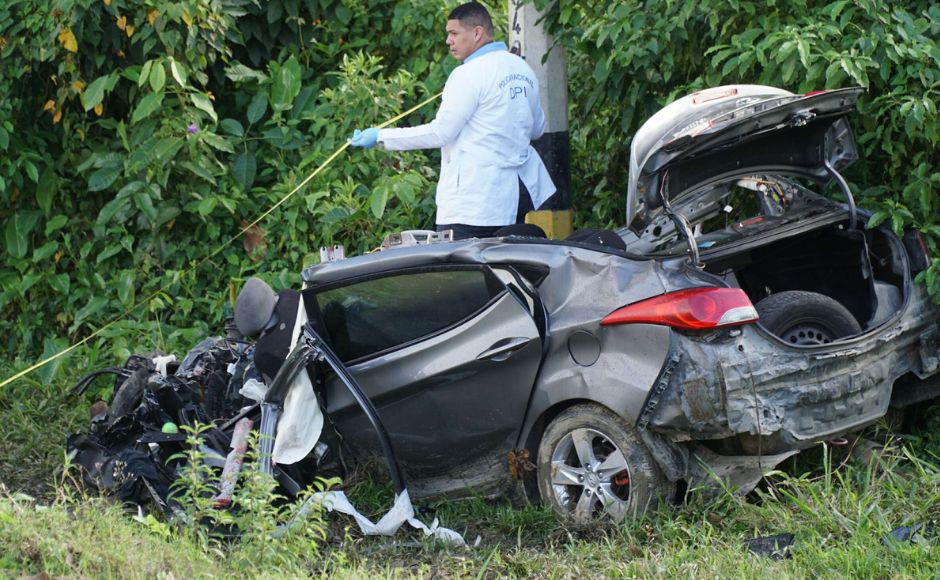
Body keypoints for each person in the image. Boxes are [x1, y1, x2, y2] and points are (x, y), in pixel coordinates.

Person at [348, 1, 556, 240]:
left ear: (477, 33)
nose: (449, 41)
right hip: (516, 194)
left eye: (454, 33)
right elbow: (537, 129)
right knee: (506, 266)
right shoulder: (522, 68)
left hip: (475, 202)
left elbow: (441, 133)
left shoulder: (467, 74)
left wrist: (381, 136)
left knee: (464, 273)